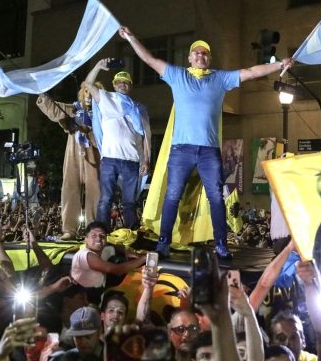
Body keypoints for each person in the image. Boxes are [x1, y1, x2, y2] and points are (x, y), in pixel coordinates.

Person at [119, 26, 293, 259]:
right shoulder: (177, 75)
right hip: (181, 150)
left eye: (205, 53)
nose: (201, 56)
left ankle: (221, 244)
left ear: (209, 58)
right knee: (173, 195)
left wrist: (280, 65)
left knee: (216, 197)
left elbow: (251, 71)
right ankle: (164, 242)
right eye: (197, 53)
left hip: (209, 152)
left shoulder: (219, 79)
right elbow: (149, 59)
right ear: (189, 57)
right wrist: (131, 37)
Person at [83, 59, 151, 230]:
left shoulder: (139, 108)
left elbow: (144, 138)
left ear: (131, 86)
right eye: (119, 82)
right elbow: (88, 83)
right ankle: (101, 231)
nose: (122, 84)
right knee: (105, 198)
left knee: (130, 201)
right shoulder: (106, 99)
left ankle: (132, 233)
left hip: (132, 160)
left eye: (126, 82)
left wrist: (145, 160)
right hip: (110, 159)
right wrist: (98, 66)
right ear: (114, 85)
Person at [36, 86, 101, 240]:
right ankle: (69, 230)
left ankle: (94, 228)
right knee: (70, 187)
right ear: (81, 93)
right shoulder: (73, 109)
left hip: (94, 152)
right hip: (73, 152)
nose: (89, 95)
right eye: (86, 91)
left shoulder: (103, 113)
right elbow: (54, 110)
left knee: (95, 190)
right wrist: (43, 94)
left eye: (93, 92)